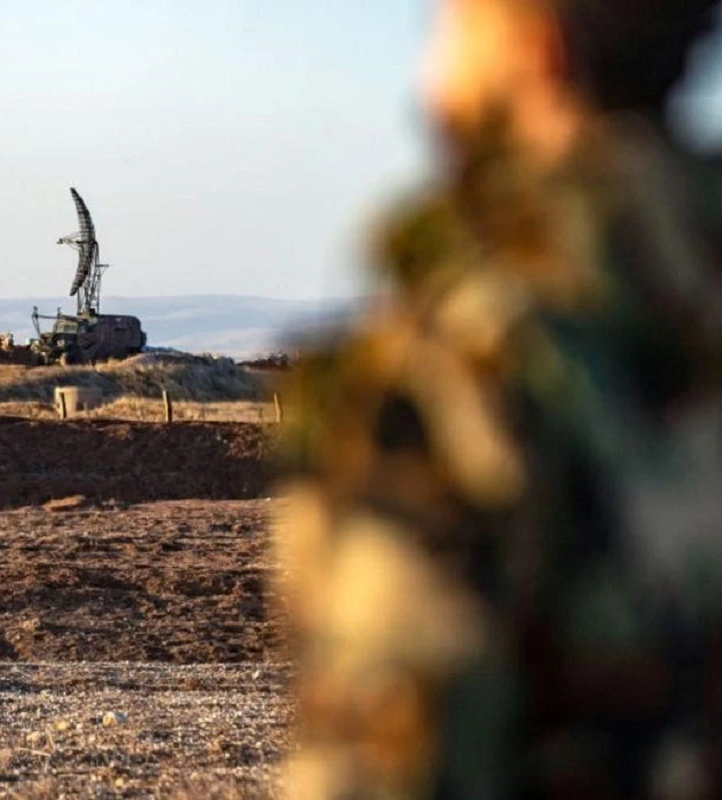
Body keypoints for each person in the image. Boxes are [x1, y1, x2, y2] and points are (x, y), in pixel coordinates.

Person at [276, 1, 722, 796]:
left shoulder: (469, 353)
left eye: (450, 25)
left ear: (538, 50)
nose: (432, 72)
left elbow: (393, 761)